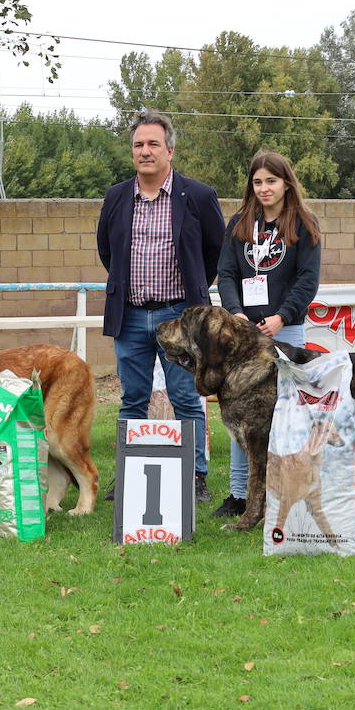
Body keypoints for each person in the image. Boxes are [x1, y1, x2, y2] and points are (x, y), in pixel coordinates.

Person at [97, 109, 224, 503]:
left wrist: (191, 294)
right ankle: (129, 474)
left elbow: (214, 251)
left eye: (153, 144)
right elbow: (108, 250)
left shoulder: (198, 196)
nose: (145, 151)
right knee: (132, 399)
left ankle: (195, 475)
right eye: (138, 145)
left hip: (180, 317)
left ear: (170, 151)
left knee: (187, 397)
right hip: (130, 315)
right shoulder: (117, 196)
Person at [213, 150, 322, 517]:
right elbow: (226, 273)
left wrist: (281, 316)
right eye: (257, 182)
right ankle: (239, 495)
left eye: (271, 181)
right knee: (241, 413)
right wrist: (236, 313)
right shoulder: (239, 223)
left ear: (286, 183)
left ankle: (291, 492)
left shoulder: (304, 224)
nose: (264, 188)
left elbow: (307, 281)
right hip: (245, 338)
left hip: (286, 331)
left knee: (293, 414)